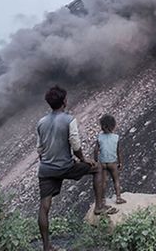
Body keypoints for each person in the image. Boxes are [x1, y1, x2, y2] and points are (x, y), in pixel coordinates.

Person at [36, 86, 112, 251]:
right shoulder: (69, 120)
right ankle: (99, 206)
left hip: (46, 169)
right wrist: (84, 159)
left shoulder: (41, 122)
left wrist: (47, 163)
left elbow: (40, 149)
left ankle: (46, 247)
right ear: (64, 101)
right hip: (65, 166)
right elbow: (75, 143)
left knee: (44, 207)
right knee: (97, 168)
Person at [93, 114, 126, 206]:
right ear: (113, 126)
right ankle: (118, 197)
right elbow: (118, 151)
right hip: (112, 162)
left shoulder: (99, 137)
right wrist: (120, 162)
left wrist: (96, 161)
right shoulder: (116, 137)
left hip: (103, 162)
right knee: (116, 180)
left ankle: (103, 199)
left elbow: (95, 150)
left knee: (103, 181)